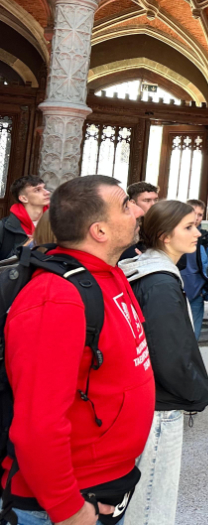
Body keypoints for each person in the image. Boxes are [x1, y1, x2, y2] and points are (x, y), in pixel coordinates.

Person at [3, 175, 154, 525]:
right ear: (99, 231)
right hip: (61, 504)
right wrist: (67, 507)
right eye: (126, 206)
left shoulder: (108, 275)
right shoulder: (56, 298)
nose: (137, 212)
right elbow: (37, 423)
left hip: (105, 485)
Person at [120, 200, 208, 525]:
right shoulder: (159, 282)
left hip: (149, 398)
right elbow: (169, 353)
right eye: (188, 227)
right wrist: (198, 394)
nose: (197, 233)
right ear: (164, 235)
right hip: (160, 406)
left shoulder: (149, 269)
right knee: (152, 501)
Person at [178, 199, 208, 340]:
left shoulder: (205, 239)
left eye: (200, 215)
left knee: (193, 337)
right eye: (192, 213)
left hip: (196, 294)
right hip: (175, 292)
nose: (196, 218)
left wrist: (207, 289)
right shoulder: (173, 234)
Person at [0, 174, 49, 258]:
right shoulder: (4, 227)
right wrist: (31, 242)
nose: (47, 192)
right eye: (37, 190)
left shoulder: (57, 222)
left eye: (44, 188)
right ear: (24, 198)